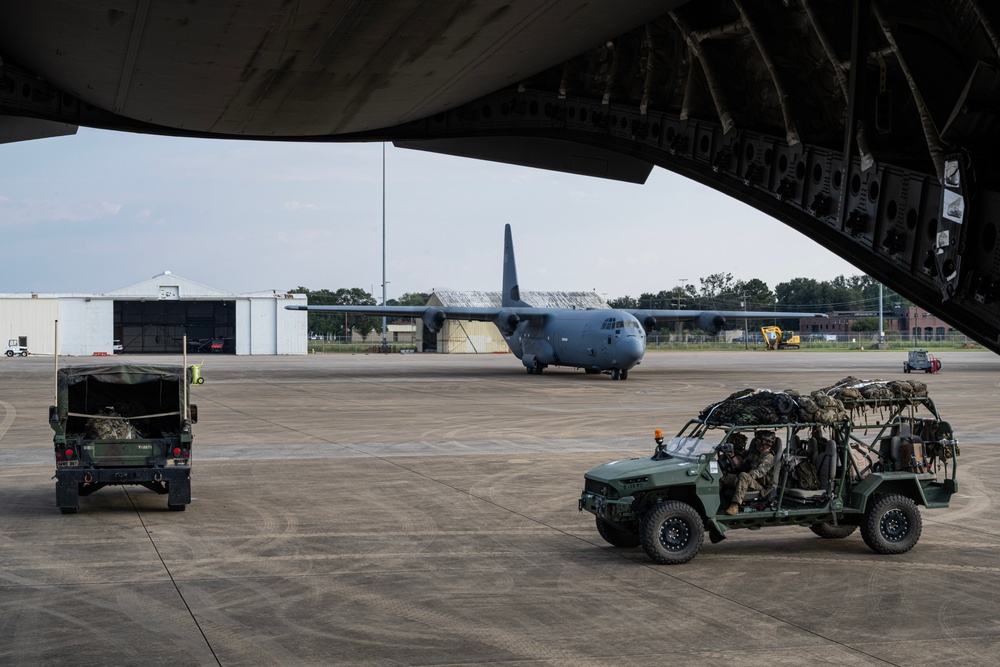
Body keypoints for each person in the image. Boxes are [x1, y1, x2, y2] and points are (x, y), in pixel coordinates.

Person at [720, 430, 776, 515]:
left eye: (758, 441)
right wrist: (732, 456)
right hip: (747, 480)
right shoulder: (755, 454)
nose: (755, 443)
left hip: (760, 485)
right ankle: (719, 504)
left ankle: (735, 505)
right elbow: (741, 466)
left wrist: (740, 478)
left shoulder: (769, 457)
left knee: (744, 475)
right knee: (723, 477)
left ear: (764, 443)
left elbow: (758, 473)